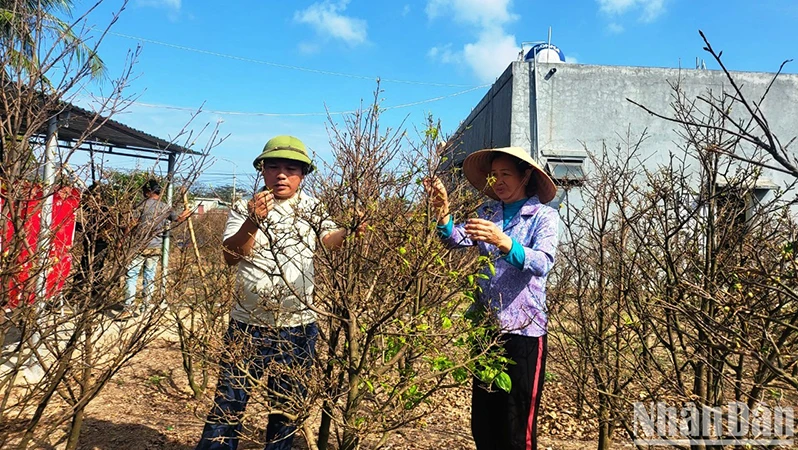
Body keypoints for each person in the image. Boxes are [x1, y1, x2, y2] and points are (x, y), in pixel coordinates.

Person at [195, 135, 356, 450]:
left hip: (297, 327)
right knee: (229, 401)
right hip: (247, 323)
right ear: (262, 171)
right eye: (274, 167)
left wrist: (351, 231)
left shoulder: (312, 208)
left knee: (285, 409)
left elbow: (329, 239)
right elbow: (231, 255)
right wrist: (254, 220)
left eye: (291, 168)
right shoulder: (245, 206)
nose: (281, 174)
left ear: (303, 175)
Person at [424, 146, 559, 450]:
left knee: (516, 426)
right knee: (484, 422)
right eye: (493, 175)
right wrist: (443, 211)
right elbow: (452, 239)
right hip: (486, 331)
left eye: (505, 174)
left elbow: (542, 262)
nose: (497, 181)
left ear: (526, 176)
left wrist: (503, 241)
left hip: (525, 332)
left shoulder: (543, 217)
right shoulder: (488, 213)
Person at [121, 179, 190, 318]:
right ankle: (145, 308)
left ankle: (128, 307)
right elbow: (179, 219)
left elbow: (131, 223)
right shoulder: (165, 208)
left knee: (132, 275)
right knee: (149, 277)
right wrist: (187, 212)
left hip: (139, 246)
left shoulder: (142, 205)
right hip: (155, 247)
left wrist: (122, 238)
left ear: (147, 192)